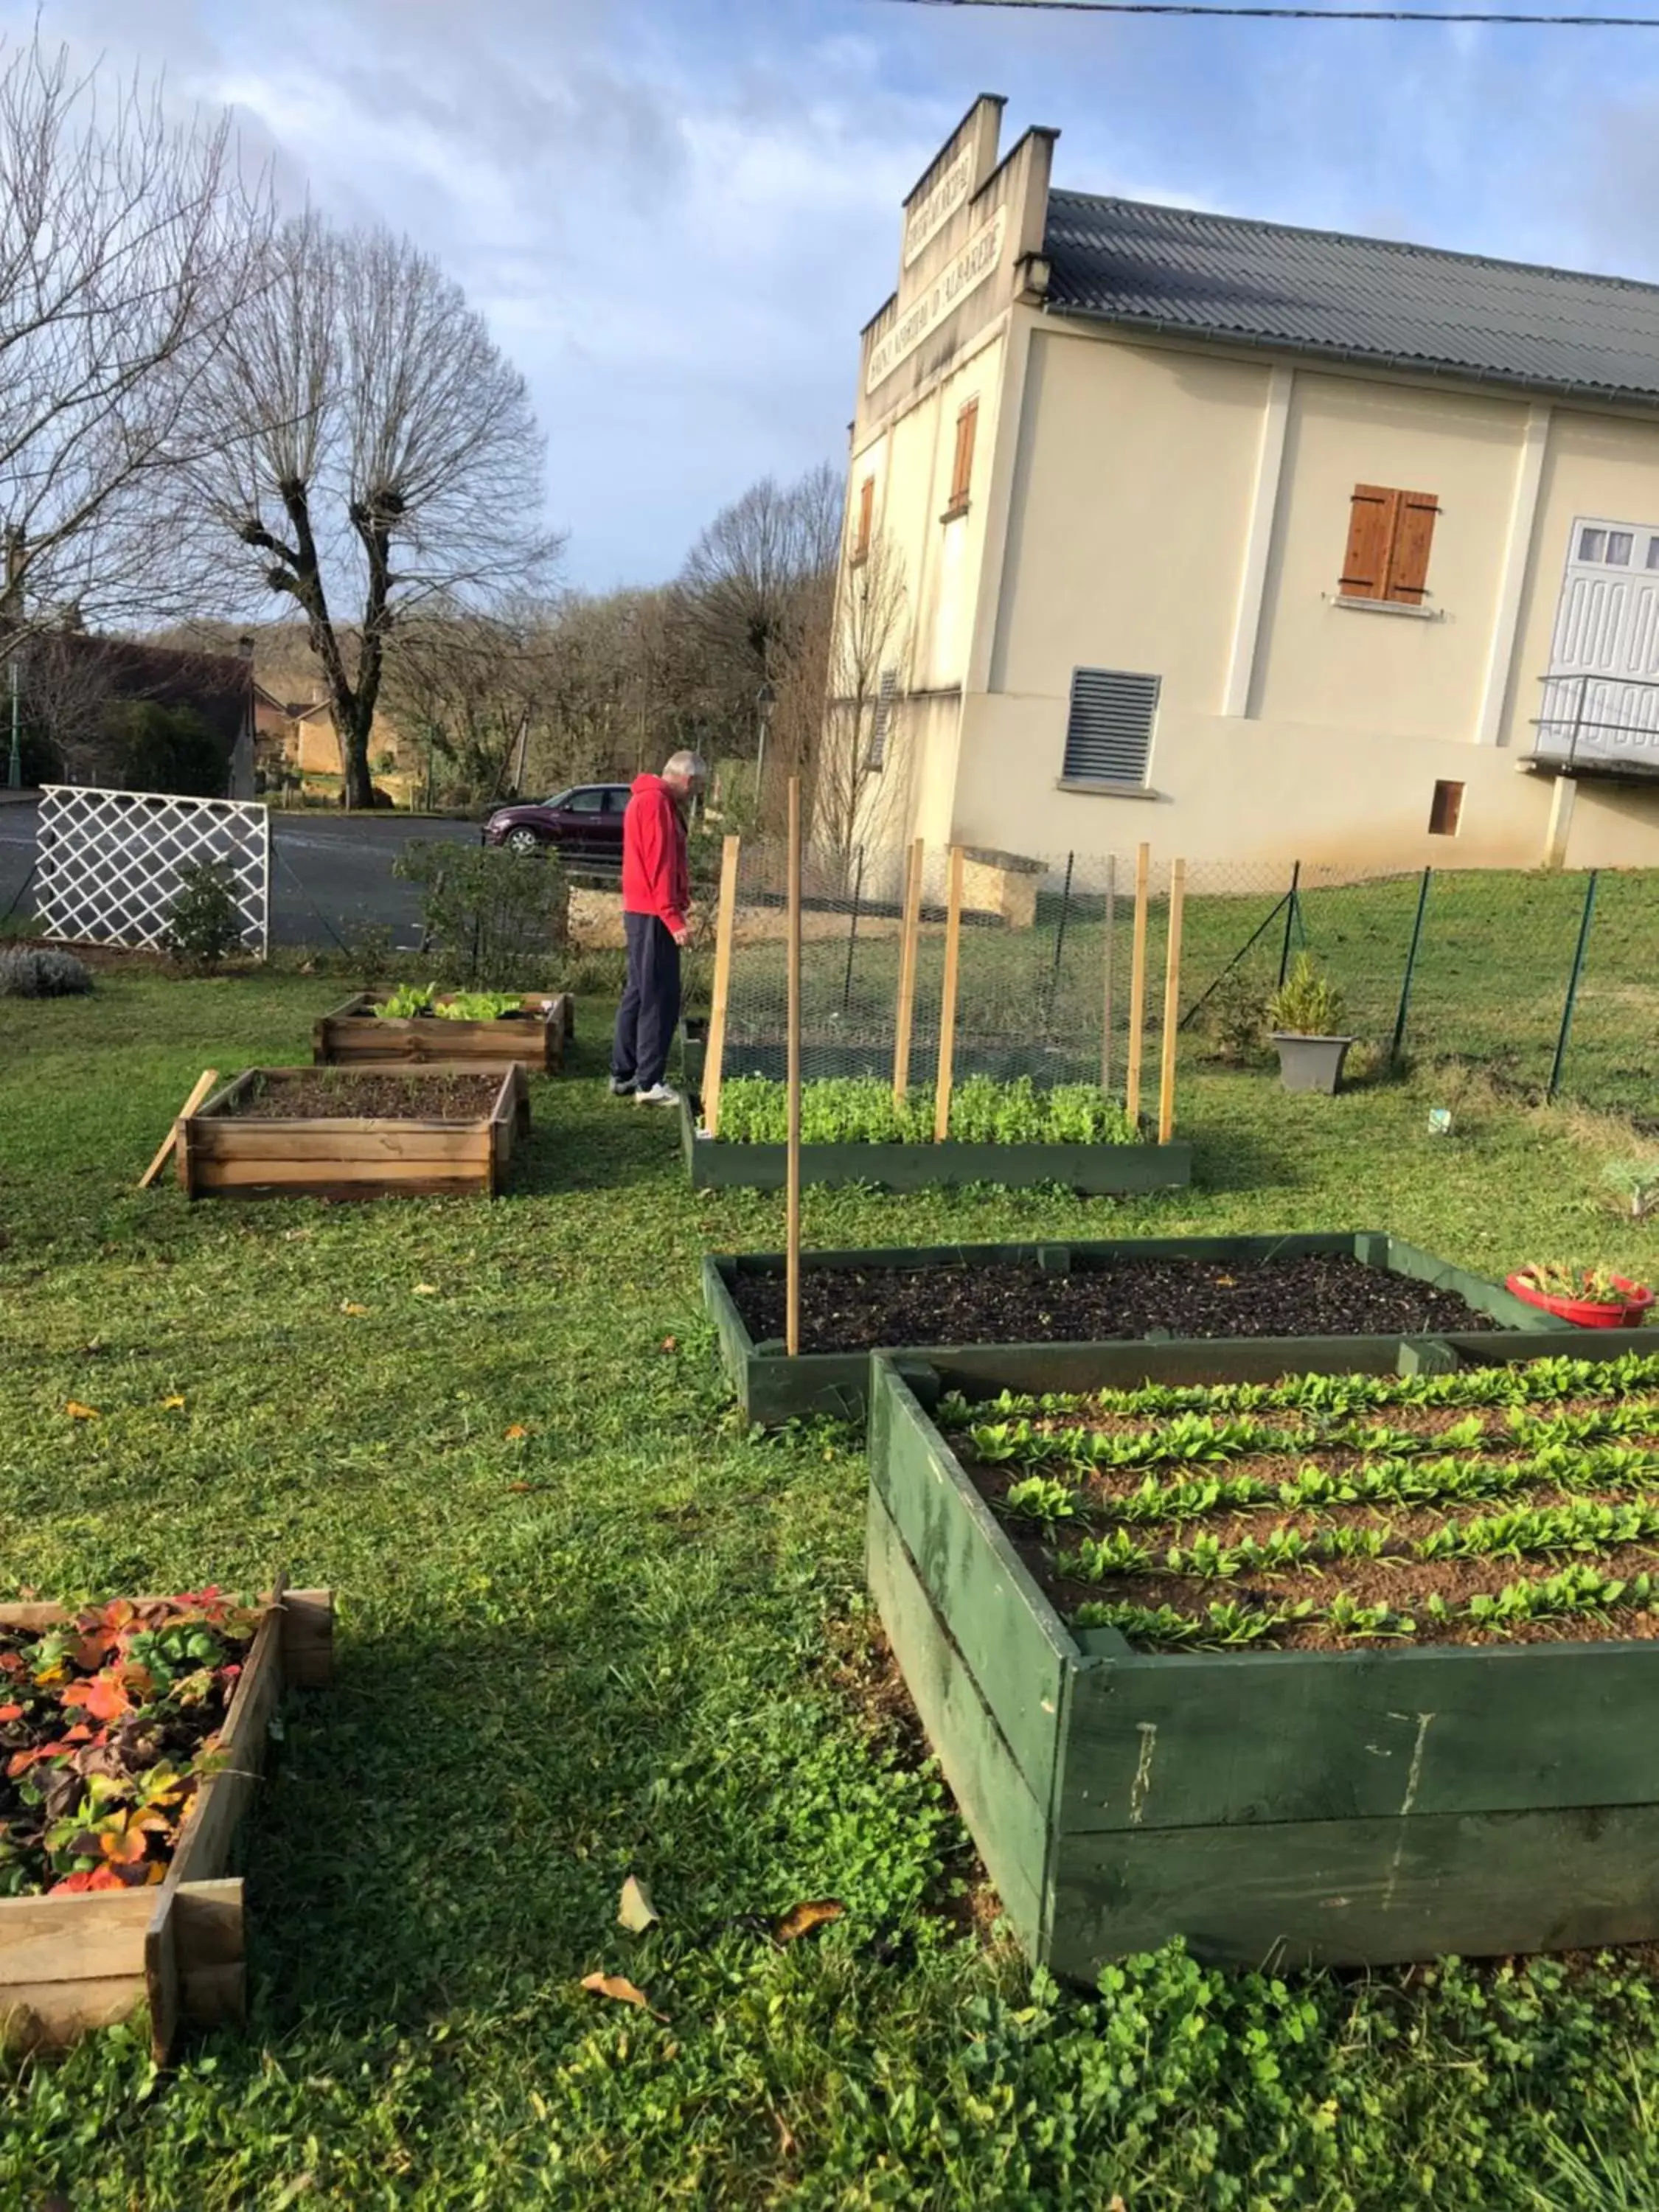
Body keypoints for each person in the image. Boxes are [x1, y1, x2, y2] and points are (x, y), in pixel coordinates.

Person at [611, 750, 706, 1105]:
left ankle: (624, 1072)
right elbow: (660, 865)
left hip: (644, 911)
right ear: (687, 779)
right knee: (659, 996)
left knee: (639, 990)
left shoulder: (650, 800)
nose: (696, 795)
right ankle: (648, 1083)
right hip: (652, 913)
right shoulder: (655, 804)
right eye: (697, 788)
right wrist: (673, 918)